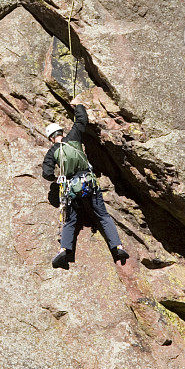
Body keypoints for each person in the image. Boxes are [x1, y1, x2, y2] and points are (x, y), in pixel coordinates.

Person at [42, 102, 129, 269]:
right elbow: (81, 120)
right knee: (103, 216)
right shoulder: (74, 136)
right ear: (61, 132)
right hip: (89, 184)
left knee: (70, 221)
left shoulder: (52, 152)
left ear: (51, 138)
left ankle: (64, 251)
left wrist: (55, 178)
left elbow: (46, 173)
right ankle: (118, 248)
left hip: (72, 189)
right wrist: (78, 106)